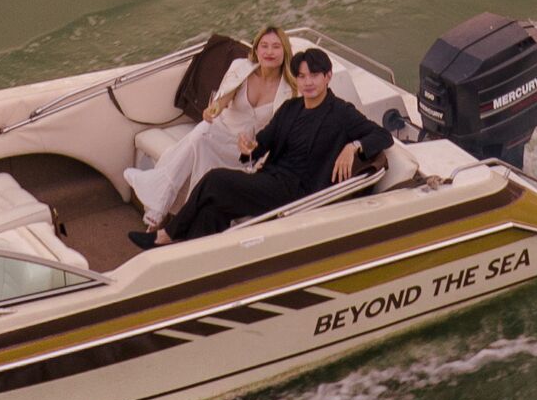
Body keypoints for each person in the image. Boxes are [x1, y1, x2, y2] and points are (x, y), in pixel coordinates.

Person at [141, 48, 387, 245]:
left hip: (298, 193)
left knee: (215, 180)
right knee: (212, 210)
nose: (308, 82)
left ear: (328, 77)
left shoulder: (341, 113)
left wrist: (353, 146)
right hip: (270, 179)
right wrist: (249, 146)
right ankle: (193, 261)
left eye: (314, 75)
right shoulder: (291, 108)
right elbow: (263, 141)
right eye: (302, 76)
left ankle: (168, 235)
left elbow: (381, 135)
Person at [123, 25, 290, 230]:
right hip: (222, 132)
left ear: (285, 51)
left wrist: (258, 149)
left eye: (276, 47)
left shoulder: (289, 89)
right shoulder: (241, 67)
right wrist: (212, 110)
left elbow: (281, 133)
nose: (269, 52)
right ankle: (162, 210)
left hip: (248, 150)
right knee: (201, 135)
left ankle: (164, 207)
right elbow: (222, 100)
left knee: (197, 142)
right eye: (264, 46)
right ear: (256, 49)